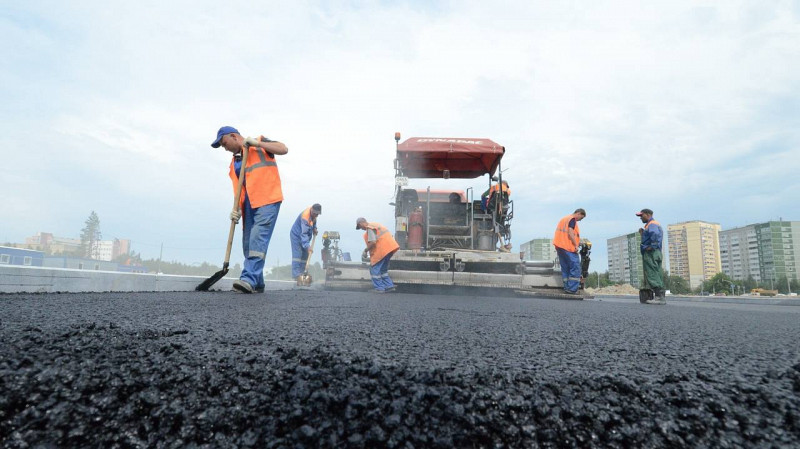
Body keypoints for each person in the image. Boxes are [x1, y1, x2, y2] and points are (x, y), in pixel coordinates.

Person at [212, 126, 288, 294]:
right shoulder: (234, 163)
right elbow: (238, 189)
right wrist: (236, 209)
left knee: (257, 238)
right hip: (248, 205)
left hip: (267, 199)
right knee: (248, 244)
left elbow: (283, 148)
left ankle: (248, 278)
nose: (224, 148)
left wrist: (258, 143)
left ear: (233, 136)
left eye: (224, 143)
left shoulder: (258, 144)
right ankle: (258, 282)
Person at [356, 217, 400, 293]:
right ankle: (389, 286)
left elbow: (373, 242)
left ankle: (379, 288)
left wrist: (365, 250)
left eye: (360, 227)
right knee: (383, 270)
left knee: (374, 270)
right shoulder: (376, 225)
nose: (361, 229)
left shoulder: (369, 228)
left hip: (382, 250)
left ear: (361, 223)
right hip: (389, 249)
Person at [553, 208, 586, 294]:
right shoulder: (572, 219)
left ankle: (567, 287)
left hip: (560, 246)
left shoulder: (564, 219)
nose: (580, 220)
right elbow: (570, 232)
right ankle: (572, 289)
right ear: (578, 213)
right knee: (575, 267)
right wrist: (576, 244)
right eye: (581, 218)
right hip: (568, 247)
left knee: (565, 267)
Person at [637, 208, 666, 304]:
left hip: (651, 253)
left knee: (652, 273)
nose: (640, 218)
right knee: (657, 273)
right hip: (656, 252)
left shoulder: (652, 224)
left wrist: (651, 247)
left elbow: (655, 234)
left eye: (642, 215)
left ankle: (659, 298)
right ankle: (660, 296)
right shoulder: (653, 224)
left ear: (647, 214)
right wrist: (643, 234)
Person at [290, 204, 321, 281]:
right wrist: (307, 246)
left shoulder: (314, 216)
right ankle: (296, 276)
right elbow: (303, 234)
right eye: (315, 213)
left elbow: (314, 222)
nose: (316, 215)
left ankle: (303, 273)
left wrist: (314, 228)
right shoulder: (305, 217)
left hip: (305, 237)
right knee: (297, 255)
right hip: (296, 236)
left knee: (305, 255)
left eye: (317, 214)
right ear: (312, 210)